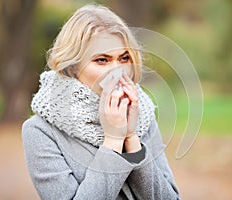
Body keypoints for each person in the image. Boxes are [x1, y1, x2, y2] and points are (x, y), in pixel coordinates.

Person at [22, 4, 180, 200]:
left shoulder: (142, 115)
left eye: (124, 58)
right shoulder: (40, 131)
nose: (117, 71)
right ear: (72, 67)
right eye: (102, 60)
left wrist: (131, 138)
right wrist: (113, 140)